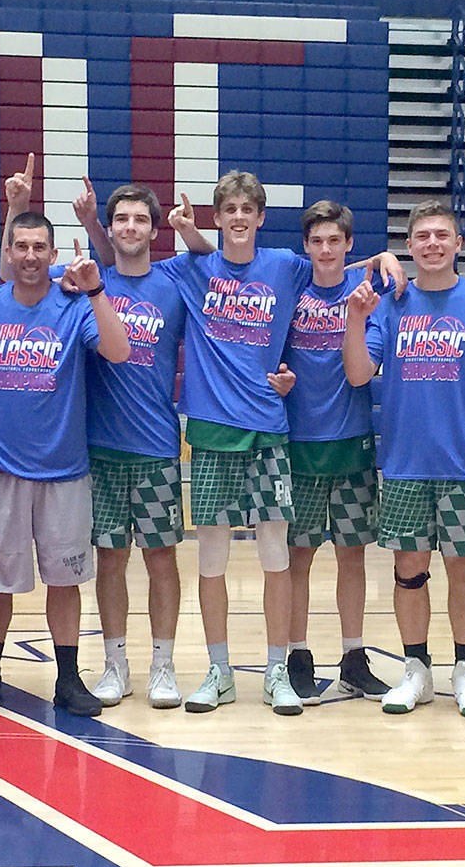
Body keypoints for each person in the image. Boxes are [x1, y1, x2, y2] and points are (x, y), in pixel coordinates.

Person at [165, 172, 405, 716]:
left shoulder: (290, 269)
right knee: (225, 558)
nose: (239, 216)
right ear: (218, 216)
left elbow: (342, 267)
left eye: (247, 208)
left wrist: (387, 257)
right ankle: (237, 667)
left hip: (287, 432)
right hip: (230, 432)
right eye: (229, 208)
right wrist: (186, 233)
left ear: (261, 217)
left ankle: (303, 664)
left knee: (302, 555)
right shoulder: (200, 267)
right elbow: (130, 268)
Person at [0, 159, 188, 708]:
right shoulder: (77, 283)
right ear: (109, 226)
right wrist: (16, 207)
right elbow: (15, 279)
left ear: (155, 230)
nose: (130, 227)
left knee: (161, 558)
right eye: (121, 218)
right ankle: (115, 664)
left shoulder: (176, 282)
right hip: (97, 448)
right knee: (110, 559)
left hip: (156, 446)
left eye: (140, 219)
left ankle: (163, 666)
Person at [342, 199, 465, 717]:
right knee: (409, 570)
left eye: (442, 235)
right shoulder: (390, 303)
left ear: (459, 244)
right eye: (423, 236)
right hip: (404, 464)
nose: (433, 244)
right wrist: (355, 320)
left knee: (463, 569)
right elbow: (358, 374)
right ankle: (416, 669)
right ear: (409, 246)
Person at [0, 212, 131, 717]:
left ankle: (68, 678)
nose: (30, 255)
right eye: (22, 246)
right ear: (8, 253)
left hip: (64, 470)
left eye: (40, 247)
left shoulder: (75, 306)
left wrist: (96, 290)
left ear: (53, 255)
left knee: (64, 579)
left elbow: (119, 351)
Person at [279, 200, 393, 704]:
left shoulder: (367, 294)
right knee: (298, 557)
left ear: (349, 244)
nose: (325, 250)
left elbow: (365, 370)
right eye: (316, 241)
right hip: (299, 443)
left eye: (334, 241)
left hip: (352, 442)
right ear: (305, 246)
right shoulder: (290, 288)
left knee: (353, 555)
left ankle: (353, 658)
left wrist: (385, 259)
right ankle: (297, 655)